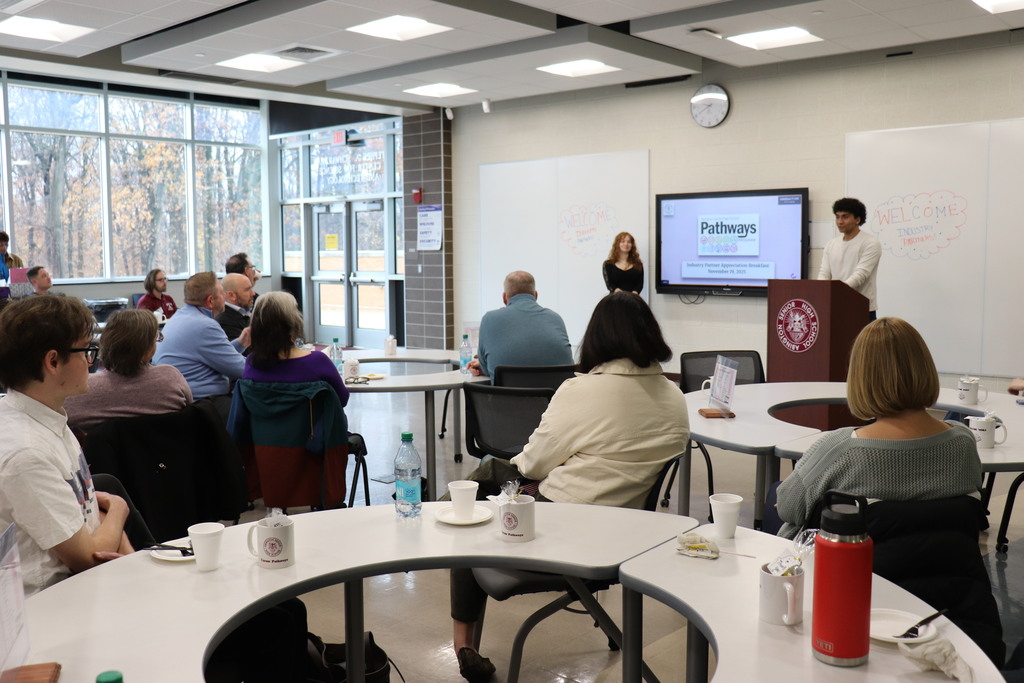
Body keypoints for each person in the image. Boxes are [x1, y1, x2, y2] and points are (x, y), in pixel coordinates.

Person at [451, 292, 690, 682]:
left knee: (473, 499)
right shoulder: (674, 398)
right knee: (488, 479)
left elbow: (531, 465)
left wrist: (554, 466)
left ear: (596, 337)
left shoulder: (581, 391)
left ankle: (463, 643)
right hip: (630, 534)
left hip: (561, 526)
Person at [776, 317, 982, 539]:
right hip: (943, 560)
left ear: (860, 377)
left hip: (856, 561)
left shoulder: (839, 449)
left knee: (774, 497)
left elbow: (788, 507)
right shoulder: (963, 442)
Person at [0, 296, 133, 595]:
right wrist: (120, 508)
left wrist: (130, 558)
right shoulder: (26, 452)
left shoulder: (49, 417)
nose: (90, 361)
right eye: (85, 351)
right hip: (50, 604)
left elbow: (91, 515)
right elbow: (89, 557)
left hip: (81, 589)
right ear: (53, 362)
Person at [64, 309, 192, 434]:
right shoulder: (171, 378)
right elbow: (189, 413)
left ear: (105, 342)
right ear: (149, 349)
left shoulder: (79, 391)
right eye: (155, 339)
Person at [153, 271, 249, 400]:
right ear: (210, 301)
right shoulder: (205, 326)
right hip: (201, 404)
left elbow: (217, 354)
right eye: (222, 293)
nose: (225, 296)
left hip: (178, 397)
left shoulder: (180, 315)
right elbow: (242, 370)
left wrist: (241, 343)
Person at [242, 291, 348, 405]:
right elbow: (342, 399)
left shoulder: (251, 363)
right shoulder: (317, 361)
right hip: (310, 417)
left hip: (263, 417)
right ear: (295, 325)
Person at [467, 271, 572, 379]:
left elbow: (486, 369)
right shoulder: (555, 318)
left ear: (504, 297)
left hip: (507, 390)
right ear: (536, 295)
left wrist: (484, 365)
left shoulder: (489, 319)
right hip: (556, 389)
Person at [817, 197, 881, 320]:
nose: (840, 221)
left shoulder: (870, 243)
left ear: (857, 219)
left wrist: (836, 292)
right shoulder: (831, 244)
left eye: (845, 217)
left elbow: (860, 275)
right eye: (837, 217)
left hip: (861, 308)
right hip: (835, 306)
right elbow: (824, 273)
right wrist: (820, 291)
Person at [216, 273, 254, 341]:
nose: (253, 293)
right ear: (231, 295)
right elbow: (245, 346)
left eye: (251, 288)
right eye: (247, 290)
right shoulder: (225, 321)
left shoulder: (246, 311)